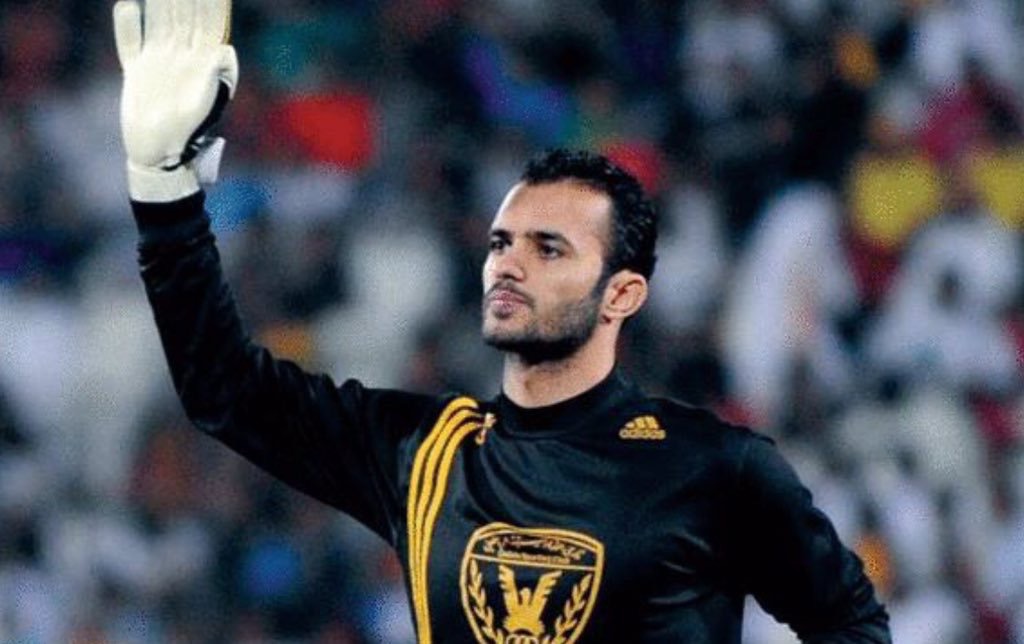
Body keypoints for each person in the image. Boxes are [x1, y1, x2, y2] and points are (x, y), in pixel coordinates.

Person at [113, 1, 891, 641]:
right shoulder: (425, 454)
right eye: (501, 243)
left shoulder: (716, 468)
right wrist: (164, 195)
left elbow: (852, 625)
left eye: (549, 248)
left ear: (621, 294)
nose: (510, 265)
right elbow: (223, 389)